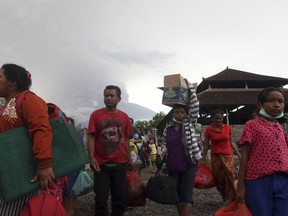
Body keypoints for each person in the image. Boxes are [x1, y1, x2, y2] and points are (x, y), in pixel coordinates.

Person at [0, 63, 56, 215]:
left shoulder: (29, 99)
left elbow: (41, 129)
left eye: (0, 76)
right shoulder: (7, 106)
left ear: (12, 82)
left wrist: (44, 164)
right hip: (7, 173)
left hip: (22, 175)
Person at [236, 87, 288, 215]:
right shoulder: (252, 125)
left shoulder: (280, 128)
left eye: (280, 101)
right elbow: (245, 155)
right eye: (271, 101)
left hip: (283, 179)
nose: (276, 105)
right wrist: (241, 185)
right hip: (258, 180)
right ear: (260, 104)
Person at [87, 85, 133, 216]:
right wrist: (91, 158)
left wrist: (129, 159)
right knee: (101, 198)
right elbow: (91, 136)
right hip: (101, 165)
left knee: (120, 198)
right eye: (106, 95)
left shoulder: (124, 117)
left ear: (119, 98)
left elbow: (126, 139)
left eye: (112, 96)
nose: (108, 98)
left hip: (120, 163)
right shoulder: (96, 115)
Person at [161, 78, 202, 216]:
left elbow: (195, 105)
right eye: (177, 112)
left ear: (186, 114)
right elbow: (163, 142)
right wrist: (164, 151)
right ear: (173, 114)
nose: (179, 114)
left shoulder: (189, 123)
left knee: (186, 195)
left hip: (189, 164)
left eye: (182, 112)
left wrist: (190, 87)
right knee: (176, 194)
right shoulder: (169, 127)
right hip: (173, 166)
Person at [202, 109, 241, 204]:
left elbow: (231, 142)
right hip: (216, 157)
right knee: (219, 178)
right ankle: (224, 196)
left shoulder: (227, 128)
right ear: (212, 119)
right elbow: (206, 145)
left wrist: (239, 154)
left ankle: (233, 198)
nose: (219, 120)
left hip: (228, 156)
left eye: (220, 118)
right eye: (216, 118)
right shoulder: (208, 130)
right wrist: (203, 158)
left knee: (230, 177)